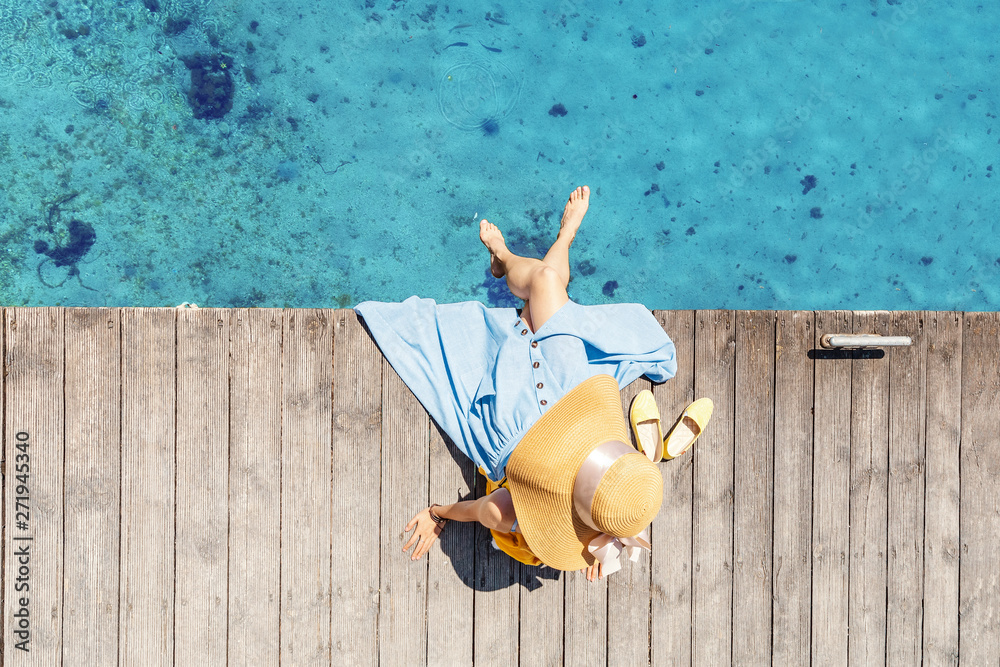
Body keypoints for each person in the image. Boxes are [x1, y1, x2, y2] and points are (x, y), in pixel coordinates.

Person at [354, 186, 678, 581]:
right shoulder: (619, 493)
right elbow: (624, 495)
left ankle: (509, 257)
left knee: (540, 292)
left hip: (516, 423)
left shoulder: (515, 509)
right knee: (545, 280)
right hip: (577, 401)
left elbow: (483, 511)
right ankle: (553, 242)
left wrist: (439, 513)